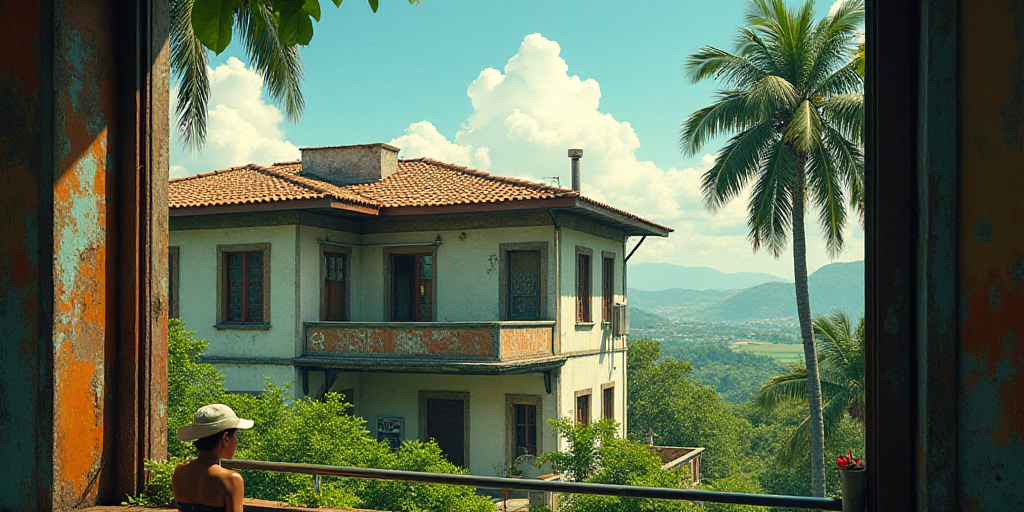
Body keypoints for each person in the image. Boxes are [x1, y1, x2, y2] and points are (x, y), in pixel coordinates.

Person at [172, 404, 254, 512]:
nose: (237, 441)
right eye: (235, 435)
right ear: (226, 438)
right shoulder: (231, 480)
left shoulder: (179, 472)